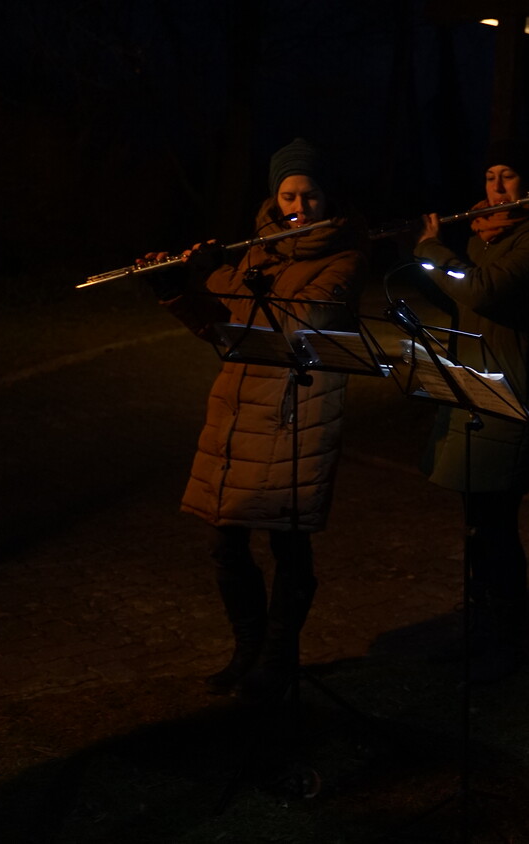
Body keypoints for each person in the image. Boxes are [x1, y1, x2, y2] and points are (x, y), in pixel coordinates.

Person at [144, 138, 368, 702]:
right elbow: (223, 331)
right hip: (239, 405)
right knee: (225, 542)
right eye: (289, 196)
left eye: (310, 195)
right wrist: (176, 292)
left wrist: (215, 276)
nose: (299, 207)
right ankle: (247, 649)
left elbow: (297, 323)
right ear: (274, 197)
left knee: (288, 544)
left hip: (295, 410)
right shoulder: (257, 254)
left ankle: (277, 658)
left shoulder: (343, 256)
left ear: (326, 197)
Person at [410, 138, 529, 681]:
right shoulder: (483, 235)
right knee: (476, 520)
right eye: (490, 176)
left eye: (509, 176)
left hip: (514, 389)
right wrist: (424, 264)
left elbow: (484, 291)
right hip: (474, 381)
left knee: (497, 521)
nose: (497, 188)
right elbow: (460, 295)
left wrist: (436, 253)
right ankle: (479, 628)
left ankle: (505, 641)